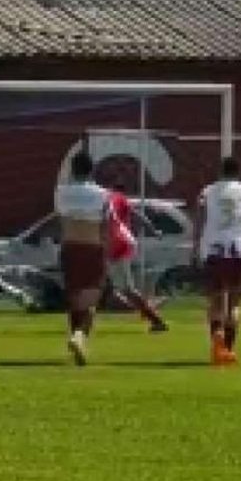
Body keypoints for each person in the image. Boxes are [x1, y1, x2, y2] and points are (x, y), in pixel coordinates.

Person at [196, 157, 241, 366]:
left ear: (220, 171)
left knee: (215, 299)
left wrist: (197, 243)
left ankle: (217, 338)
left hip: (213, 249)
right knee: (234, 301)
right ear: (238, 172)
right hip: (237, 249)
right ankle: (229, 347)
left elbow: (199, 215)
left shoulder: (208, 191)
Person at [55, 151, 112, 366]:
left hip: (70, 246)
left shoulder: (61, 192)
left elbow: (62, 218)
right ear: (92, 170)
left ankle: (76, 339)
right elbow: (105, 226)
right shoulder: (103, 195)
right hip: (92, 247)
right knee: (92, 300)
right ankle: (79, 337)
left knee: (74, 298)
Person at [104, 186, 169, 333]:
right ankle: (149, 308)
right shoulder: (118, 198)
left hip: (115, 244)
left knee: (125, 289)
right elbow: (136, 214)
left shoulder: (103, 199)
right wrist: (153, 229)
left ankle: (155, 318)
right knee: (116, 290)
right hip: (122, 242)